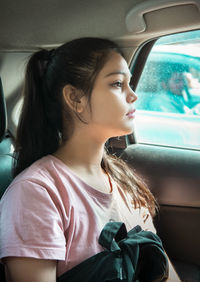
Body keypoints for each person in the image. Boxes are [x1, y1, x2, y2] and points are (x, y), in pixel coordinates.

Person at [0, 37, 180, 281]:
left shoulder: (124, 182)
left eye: (129, 83)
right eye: (118, 83)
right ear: (75, 98)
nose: (133, 95)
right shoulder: (36, 192)